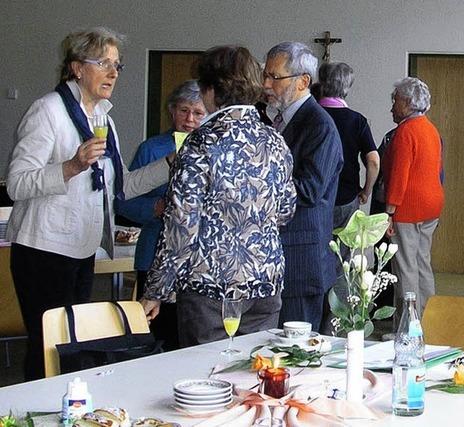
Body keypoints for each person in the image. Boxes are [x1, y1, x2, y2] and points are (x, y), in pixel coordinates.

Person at [6, 27, 172, 380]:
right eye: (103, 63)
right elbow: (17, 183)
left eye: (117, 65)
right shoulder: (47, 111)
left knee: (71, 345)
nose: (113, 72)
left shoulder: (103, 120)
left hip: (81, 250)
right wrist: (71, 166)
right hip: (43, 251)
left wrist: (170, 163)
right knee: (48, 347)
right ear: (77, 68)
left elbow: (123, 186)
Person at [141, 46, 296, 347]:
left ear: (209, 90)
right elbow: (286, 210)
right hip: (264, 282)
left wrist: (156, 290)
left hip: (209, 286)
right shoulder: (275, 141)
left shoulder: (201, 142)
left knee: (207, 380)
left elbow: (180, 224)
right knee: (254, 379)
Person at [115, 80, 207, 350]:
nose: (189, 119)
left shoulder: (214, 150)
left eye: (198, 113)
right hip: (153, 254)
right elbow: (122, 202)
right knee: (155, 338)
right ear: (171, 111)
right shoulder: (151, 148)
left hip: (196, 260)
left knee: (190, 338)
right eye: (183, 111)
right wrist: (153, 208)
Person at [263, 41, 343, 331]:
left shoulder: (319, 125)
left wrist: (256, 187)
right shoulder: (275, 120)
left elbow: (309, 190)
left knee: (296, 356)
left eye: (275, 77)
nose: (266, 84)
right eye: (265, 75)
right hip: (278, 257)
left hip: (300, 260)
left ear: (303, 82)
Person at [314, 62, 379, 333]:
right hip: (346, 200)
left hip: (315, 200)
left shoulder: (312, 116)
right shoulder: (357, 120)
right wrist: (366, 189)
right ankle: (335, 326)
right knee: (344, 261)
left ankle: (311, 322)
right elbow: (373, 161)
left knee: (316, 257)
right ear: (348, 87)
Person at [383, 77, 444, 327]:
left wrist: (389, 212)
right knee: (422, 265)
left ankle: (408, 329)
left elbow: (399, 176)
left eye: (395, 100)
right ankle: (429, 323)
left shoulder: (406, 132)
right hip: (432, 205)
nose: (392, 106)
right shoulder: (430, 128)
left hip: (408, 208)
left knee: (406, 270)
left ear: (407, 102)